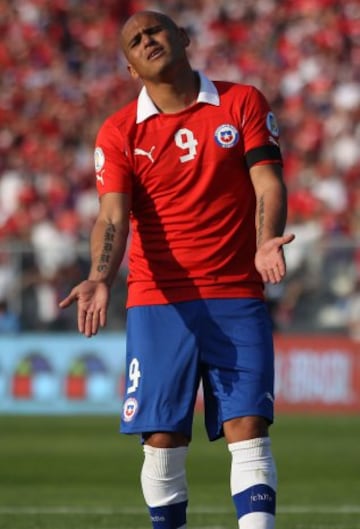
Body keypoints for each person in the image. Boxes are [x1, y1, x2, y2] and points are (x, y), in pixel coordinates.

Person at [59, 10, 295, 529]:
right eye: (135, 40)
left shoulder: (242, 102)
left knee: (248, 426)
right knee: (163, 438)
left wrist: (263, 244)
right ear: (129, 69)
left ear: (183, 37)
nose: (147, 41)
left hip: (236, 291)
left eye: (155, 31)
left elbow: (268, 183)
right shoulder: (119, 131)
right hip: (159, 301)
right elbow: (112, 216)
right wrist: (100, 275)